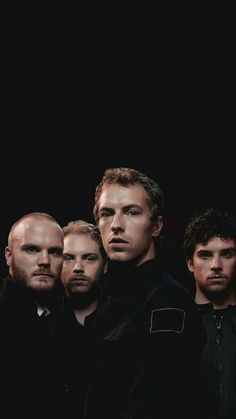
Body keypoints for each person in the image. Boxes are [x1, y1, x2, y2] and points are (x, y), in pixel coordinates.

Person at [83, 167, 208, 419]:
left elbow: (154, 404)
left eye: (131, 212)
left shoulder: (169, 300)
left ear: (156, 226)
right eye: (107, 214)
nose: (116, 225)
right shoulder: (106, 301)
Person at [0, 212, 64, 418]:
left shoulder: (62, 319)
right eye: (32, 249)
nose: (45, 261)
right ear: (9, 256)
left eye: (55, 252)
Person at [183, 207, 236, 419]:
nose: (216, 265)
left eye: (227, 254)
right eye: (205, 255)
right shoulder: (178, 325)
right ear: (190, 263)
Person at [52, 220, 107, 416]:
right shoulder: (44, 319)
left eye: (89, 258)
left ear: (105, 265)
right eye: (68, 258)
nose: (78, 267)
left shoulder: (122, 317)